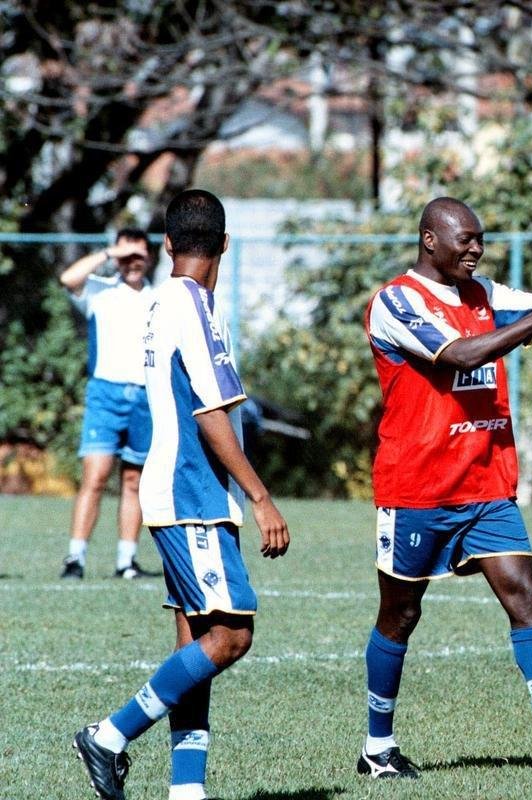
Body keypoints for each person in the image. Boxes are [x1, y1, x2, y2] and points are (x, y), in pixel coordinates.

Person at [359, 196, 532, 782]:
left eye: (480, 239)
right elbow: (460, 354)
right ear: (430, 240)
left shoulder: (487, 295)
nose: (476, 249)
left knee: (525, 594)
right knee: (400, 615)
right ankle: (377, 747)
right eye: (465, 239)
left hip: (486, 485)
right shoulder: (396, 302)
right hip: (416, 487)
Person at [73, 190, 290, 800]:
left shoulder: (161, 301)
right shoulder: (193, 305)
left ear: (167, 245)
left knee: (194, 642)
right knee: (231, 637)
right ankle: (109, 735)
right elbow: (212, 411)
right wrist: (260, 496)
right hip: (192, 492)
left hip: (175, 492)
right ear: (224, 245)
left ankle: (185, 791)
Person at [59, 228, 158, 580]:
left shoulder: (157, 298)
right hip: (106, 394)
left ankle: (126, 561)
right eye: (127, 256)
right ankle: (75, 558)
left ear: (149, 257)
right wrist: (109, 253)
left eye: (139, 255)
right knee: (95, 476)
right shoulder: (100, 291)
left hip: (145, 396)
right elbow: (68, 277)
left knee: (134, 480)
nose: (133, 263)